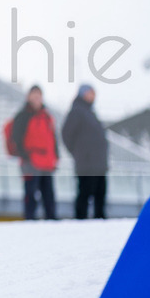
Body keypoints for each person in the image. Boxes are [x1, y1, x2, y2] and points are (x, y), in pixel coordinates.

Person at [11, 85, 59, 220]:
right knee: (30, 192)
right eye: (34, 95)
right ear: (28, 97)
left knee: (48, 193)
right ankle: (30, 218)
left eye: (39, 95)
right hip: (30, 162)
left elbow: (53, 138)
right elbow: (16, 137)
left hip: (46, 161)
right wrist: (25, 155)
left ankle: (51, 219)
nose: (37, 98)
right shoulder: (23, 115)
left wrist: (56, 156)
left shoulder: (47, 116)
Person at [61, 84, 108, 219]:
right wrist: (79, 153)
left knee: (100, 195)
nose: (93, 96)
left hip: (99, 164)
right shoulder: (77, 111)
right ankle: (80, 221)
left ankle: (100, 221)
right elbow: (66, 134)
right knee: (85, 194)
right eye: (90, 93)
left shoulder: (91, 113)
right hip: (86, 164)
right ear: (83, 94)